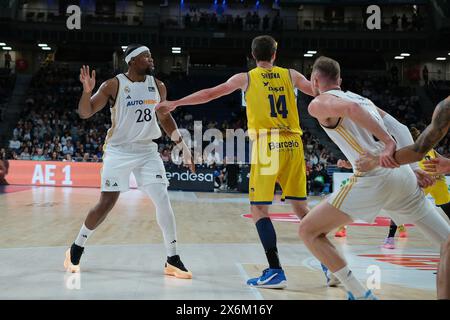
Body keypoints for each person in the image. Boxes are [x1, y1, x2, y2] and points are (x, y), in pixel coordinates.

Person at [156, 35, 314, 288]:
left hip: (267, 145)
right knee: (301, 208)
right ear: (275, 54)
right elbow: (317, 90)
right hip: (294, 144)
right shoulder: (291, 75)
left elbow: (209, 94)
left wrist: (177, 102)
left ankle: (275, 270)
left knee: (259, 210)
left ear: (252, 56)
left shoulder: (247, 78)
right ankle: (331, 266)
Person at [299, 56, 450, 300]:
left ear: (315, 80)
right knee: (447, 241)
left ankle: (360, 294)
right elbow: (401, 128)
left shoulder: (319, 103)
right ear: (340, 80)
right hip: (401, 176)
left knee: (308, 231)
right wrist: (411, 169)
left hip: (374, 177)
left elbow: (352, 111)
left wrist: (388, 144)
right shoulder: (363, 98)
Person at [63, 44, 194, 280]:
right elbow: (85, 112)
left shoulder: (158, 86)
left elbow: (165, 118)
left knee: (163, 200)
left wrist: (181, 146)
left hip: (147, 151)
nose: (151, 59)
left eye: (151, 56)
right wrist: (86, 91)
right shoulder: (113, 85)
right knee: (106, 203)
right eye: (146, 56)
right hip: (119, 151)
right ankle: (76, 246)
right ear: (132, 61)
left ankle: (172, 258)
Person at [360, 95, 450, 299]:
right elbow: (414, 147)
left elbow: (412, 145)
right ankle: (391, 236)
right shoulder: (444, 108)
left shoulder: (443, 109)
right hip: (424, 178)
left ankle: (391, 236)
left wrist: (376, 161)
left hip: (428, 179)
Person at [383, 127, 450, 249]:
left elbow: (439, 157)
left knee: (447, 204)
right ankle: (390, 237)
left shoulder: (429, 148)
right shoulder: (407, 152)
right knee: (404, 206)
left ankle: (391, 237)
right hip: (422, 181)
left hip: (437, 180)